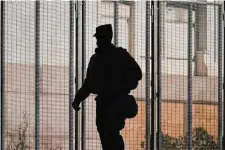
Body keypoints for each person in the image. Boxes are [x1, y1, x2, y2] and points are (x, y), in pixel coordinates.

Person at [72, 24, 142, 150]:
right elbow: (88, 84)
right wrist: (78, 99)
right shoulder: (100, 58)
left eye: (101, 38)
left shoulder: (114, 56)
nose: (99, 41)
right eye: (98, 38)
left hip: (114, 103)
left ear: (108, 38)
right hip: (105, 104)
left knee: (111, 136)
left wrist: (122, 83)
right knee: (107, 136)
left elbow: (137, 74)